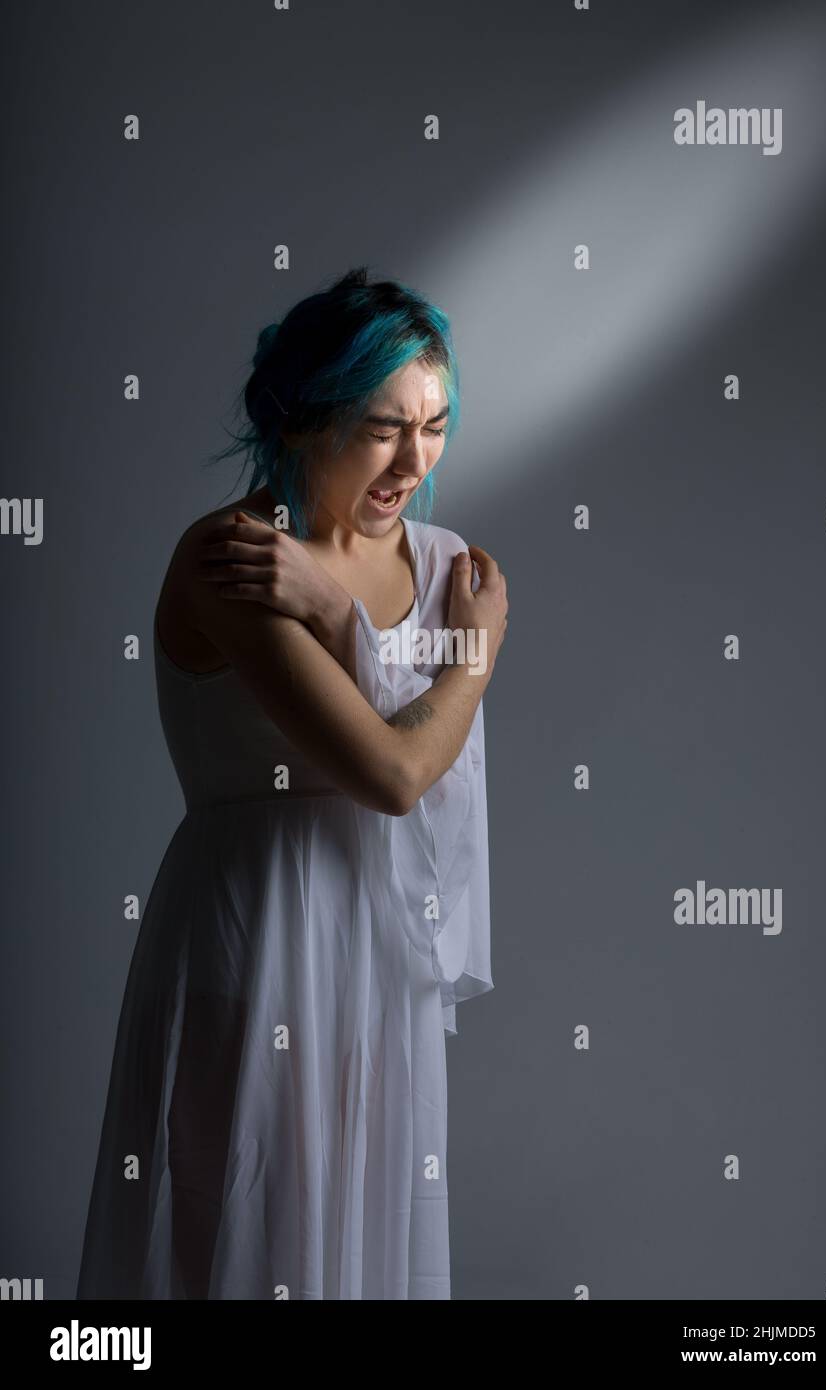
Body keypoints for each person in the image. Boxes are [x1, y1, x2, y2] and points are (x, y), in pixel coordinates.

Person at [76, 266, 508, 1300]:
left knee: (363, 1244)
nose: (415, 458)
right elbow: (397, 770)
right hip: (256, 930)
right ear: (306, 417)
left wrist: (335, 604)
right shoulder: (233, 557)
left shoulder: (444, 561)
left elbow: (437, 773)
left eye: (435, 425)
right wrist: (475, 653)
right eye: (382, 426)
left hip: (382, 953)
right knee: (233, 1232)